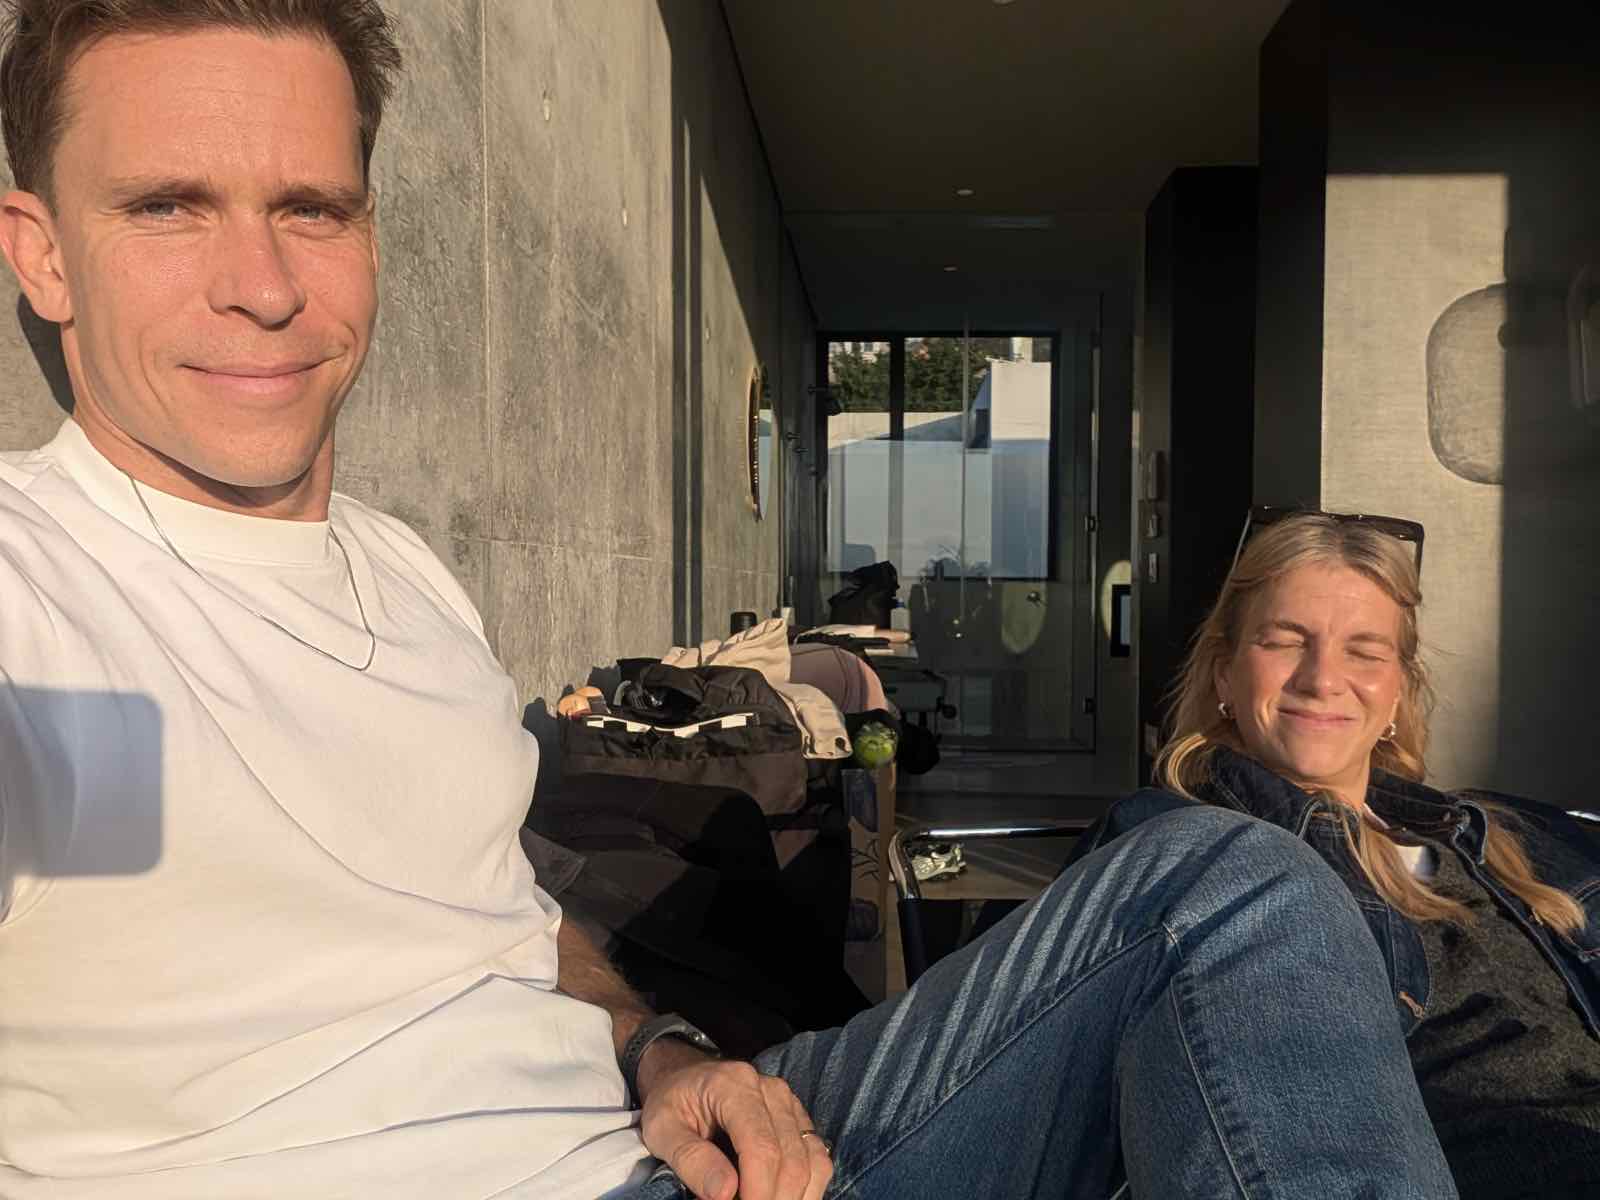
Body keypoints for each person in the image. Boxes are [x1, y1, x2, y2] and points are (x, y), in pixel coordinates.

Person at [0, 2, 1463, 1197]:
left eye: (310, 208)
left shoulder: (402, 568)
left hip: (662, 1141)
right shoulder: (37, 595)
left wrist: (661, 1050)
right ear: (42, 252)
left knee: (1231, 884)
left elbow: (497, 916)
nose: (261, 284)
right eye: (167, 208)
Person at [1072, 510, 1600, 1198]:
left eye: (1365, 652)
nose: (1322, 679)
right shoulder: (1185, 848)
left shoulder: (1504, 836)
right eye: (1286, 641)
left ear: (1398, 690)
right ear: (1225, 676)